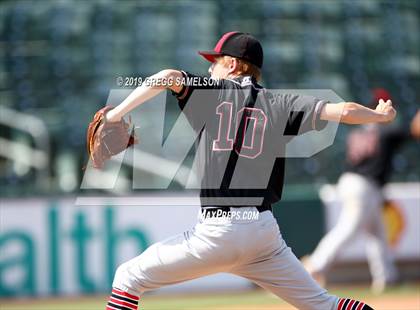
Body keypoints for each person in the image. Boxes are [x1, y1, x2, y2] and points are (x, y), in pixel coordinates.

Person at [102, 32, 396, 310]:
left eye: (213, 63)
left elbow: (167, 77)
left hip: (218, 230)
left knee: (128, 277)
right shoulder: (281, 102)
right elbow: (342, 111)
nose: (209, 72)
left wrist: (115, 115)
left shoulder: (211, 92)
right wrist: (378, 116)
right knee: (323, 304)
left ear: (232, 64)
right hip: (263, 236)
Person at [303, 89, 419, 294]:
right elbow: (414, 131)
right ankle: (314, 266)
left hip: (353, 182)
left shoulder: (359, 130)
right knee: (348, 229)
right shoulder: (385, 130)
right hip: (365, 186)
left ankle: (386, 278)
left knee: (377, 234)